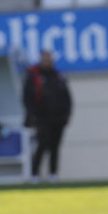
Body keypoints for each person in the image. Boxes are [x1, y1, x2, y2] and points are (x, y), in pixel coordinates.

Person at [23, 50, 72, 183]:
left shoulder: (58, 76)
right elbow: (27, 98)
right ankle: (35, 174)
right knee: (42, 145)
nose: (47, 61)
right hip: (41, 118)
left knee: (55, 146)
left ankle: (53, 174)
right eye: (45, 59)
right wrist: (31, 115)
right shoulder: (34, 76)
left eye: (49, 59)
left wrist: (67, 114)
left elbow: (67, 97)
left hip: (58, 118)